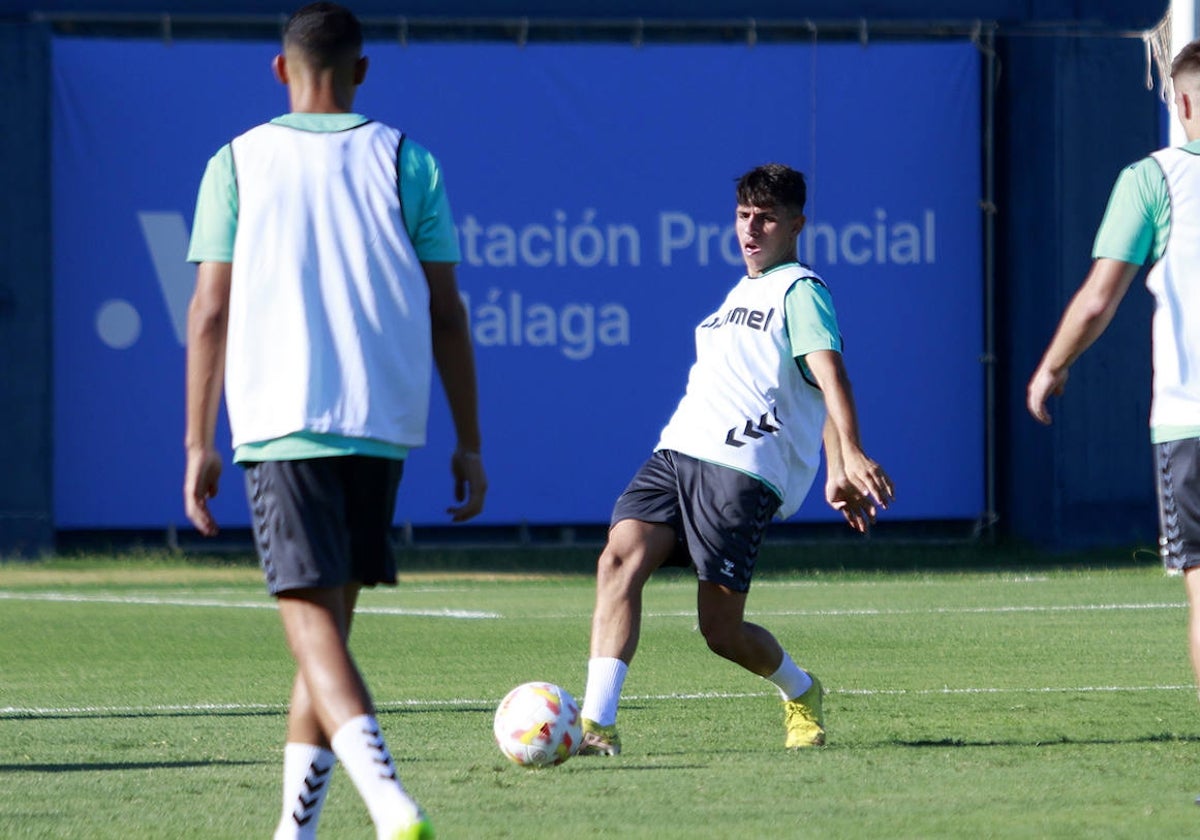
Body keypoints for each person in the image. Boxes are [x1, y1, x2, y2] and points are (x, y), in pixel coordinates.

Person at [183, 4, 486, 838]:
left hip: (283, 421)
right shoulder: (407, 159)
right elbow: (448, 314)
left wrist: (196, 441)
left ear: (281, 70)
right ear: (362, 70)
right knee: (328, 635)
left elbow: (209, 313)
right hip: (381, 422)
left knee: (309, 626)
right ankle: (296, 830)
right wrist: (469, 439)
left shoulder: (237, 161)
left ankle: (389, 802)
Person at [576, 163, 894, 755]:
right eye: (744, 216)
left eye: (767, 218)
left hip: (743, 469)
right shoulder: (737, 295)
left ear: (797, 224)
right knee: (617, 560)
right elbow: (797, 388)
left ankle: (800, 689)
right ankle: (597, 726)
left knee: (720, 632)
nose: (751, 229)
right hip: (677, 450)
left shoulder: (801, 289)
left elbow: (826, 375)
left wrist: (846, 454)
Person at [1028, 40, 1200, 726]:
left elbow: (1099, 298)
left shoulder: (1153, 180)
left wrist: (1053, 365)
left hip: (1190, 420)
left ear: (1181, 102)